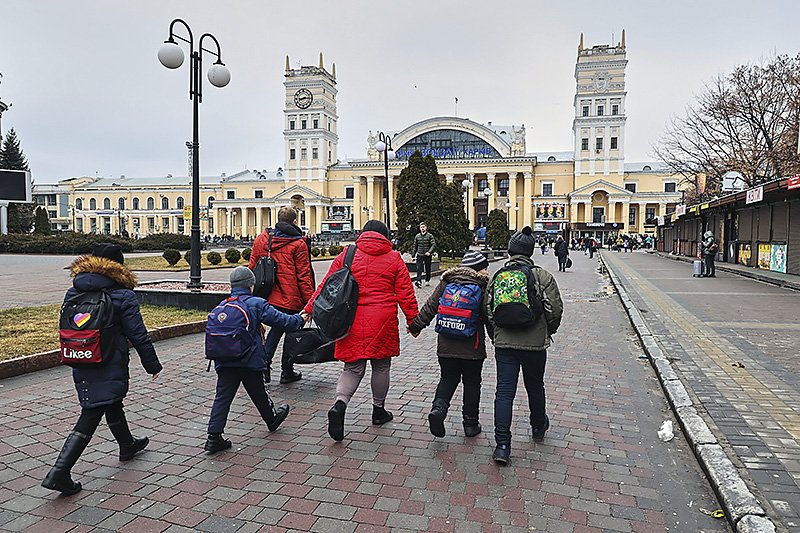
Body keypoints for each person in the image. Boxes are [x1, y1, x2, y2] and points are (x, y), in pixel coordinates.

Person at [42, 244, 163, 495]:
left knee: (110, 400)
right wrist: (152, 363)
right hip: (109, 359)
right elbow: (138, 334)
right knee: (92, 411)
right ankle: (59, 472)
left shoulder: (73, 290)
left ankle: (127, 444)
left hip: (81, 355)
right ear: (118, 267)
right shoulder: (123, 295)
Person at [305, 220, 419, 442]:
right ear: (385, 236)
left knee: (353, 368)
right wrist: (413, 322)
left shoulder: (348, 254)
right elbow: (406, 294)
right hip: (382, 320)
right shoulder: (394, 258)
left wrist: (309, 308)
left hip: (351, 320)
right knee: (381, 365)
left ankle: (340, 405)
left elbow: (327, 286)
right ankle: (378, 411)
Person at [204, 266, 306, 454]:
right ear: (251, 285)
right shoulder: (256, 304)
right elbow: (284, 322)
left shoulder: (222, 305)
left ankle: (213, 437)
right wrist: (301, 318)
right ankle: (272, 418)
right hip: (249, 360)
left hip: (224, 360)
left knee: (222, 397)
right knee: (258, 390)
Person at [485, 227, 563, 465]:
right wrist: (548, 330)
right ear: (531, 252)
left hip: (505, 344)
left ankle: (502, 446)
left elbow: (488, 310)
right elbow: (555, 310)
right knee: (535, 386)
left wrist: (495, 335)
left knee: (504, 392)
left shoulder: (498, 276)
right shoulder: (542, 276)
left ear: (510, 251)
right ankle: (538, 427)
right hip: (534, 344)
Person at [409, 250, 492, 438]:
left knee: (447, 378)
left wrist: (416, 326)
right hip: (472, 347)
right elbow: (489, 316)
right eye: (485, 268)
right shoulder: (481, 286)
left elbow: (431, 306)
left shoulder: (447, 281)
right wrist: (498, 340)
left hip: (445, 344)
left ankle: (438, 410)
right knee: (472, 383)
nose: (487, 272)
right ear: (477, 270)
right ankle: (470, 424)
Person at [248, 206, 315, 384]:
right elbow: (304, 276)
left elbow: (252, 267)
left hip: (267, 294)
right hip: (290, 297)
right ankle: (285, 370)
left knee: (276, 331)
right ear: (294, 221)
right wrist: (310, 303)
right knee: (289, 332)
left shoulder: (262, 238)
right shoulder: (298, 243)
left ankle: (266, 367)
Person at [412, 222, 436, 288]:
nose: (422, 228)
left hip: (427, 255)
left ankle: (427, 279)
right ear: (420, 228)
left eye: (423, 227)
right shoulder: (417, 236)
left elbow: (433, 245)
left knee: (428, 268)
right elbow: (415, 246)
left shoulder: (430, 236)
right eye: (421, 227)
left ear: (426, 228)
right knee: (419, 268)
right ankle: (418, 281)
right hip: (419, 254)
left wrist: (429, 252)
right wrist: (413, 255)